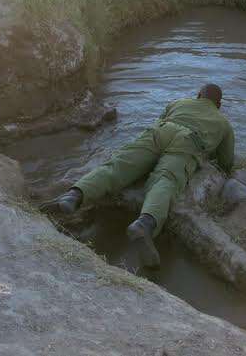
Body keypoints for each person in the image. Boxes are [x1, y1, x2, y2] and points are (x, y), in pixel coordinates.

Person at [42, 84, 235, 267]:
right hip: (188, 142)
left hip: (160, 131)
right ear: (218, 105)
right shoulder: (223, 123)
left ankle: (75, 195)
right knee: (165, 180)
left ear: (198, 95)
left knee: (118, 166)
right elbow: (226, 161)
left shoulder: (179, 102)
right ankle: (145, 223)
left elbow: (160, 120)